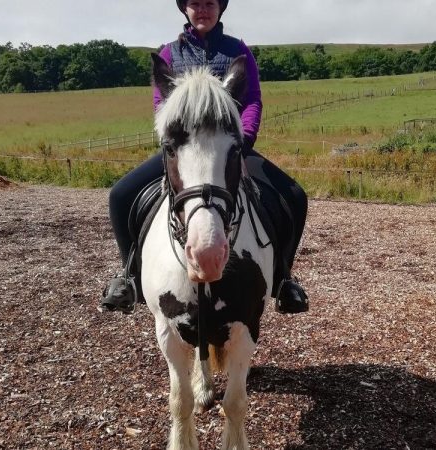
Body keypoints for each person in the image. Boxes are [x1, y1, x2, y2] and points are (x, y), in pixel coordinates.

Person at [101, 0, 309, 314]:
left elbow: (252, 99)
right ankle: (128, 276)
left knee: (294, 195)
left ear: (220, 8)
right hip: (185, 152)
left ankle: (283, 279)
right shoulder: (169, 54)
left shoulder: (238, 51)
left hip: (229, 150)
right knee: (120, 195)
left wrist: (243, 139)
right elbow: (161, 105)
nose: (202, 10)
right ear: (185, 9)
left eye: (209, 3)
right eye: (195, 3)